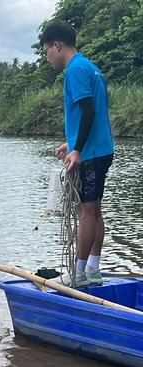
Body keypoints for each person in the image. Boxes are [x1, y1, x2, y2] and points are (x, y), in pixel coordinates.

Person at [40, 22, 114, 287]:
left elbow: (88, 111)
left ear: (57, 45)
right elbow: (88, 114)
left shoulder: (75, 70)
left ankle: (80, 272)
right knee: (94, 212)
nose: (48, 57)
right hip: (100, 148)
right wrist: (70, 143)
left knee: (85, 212)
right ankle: (93, 269)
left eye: (47, 50)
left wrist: (78, 150)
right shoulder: (91, 67)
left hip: (92, 152)